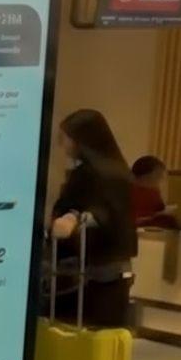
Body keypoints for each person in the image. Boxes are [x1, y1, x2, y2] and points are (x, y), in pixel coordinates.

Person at [49, 109, 137, 328]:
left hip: (95, 268)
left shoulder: (96, 173)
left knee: (88, 327)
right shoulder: (116, 169)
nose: (64, 145)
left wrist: (72, 218)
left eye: (66, 138)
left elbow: (102, 212)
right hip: (111, 265)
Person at [130, 155, 179, 229]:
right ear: (146, 176)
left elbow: (159, 210)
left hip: (153, 227)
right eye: (158, 175)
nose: (161, 178)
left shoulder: (154, 192)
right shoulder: (127, 191)